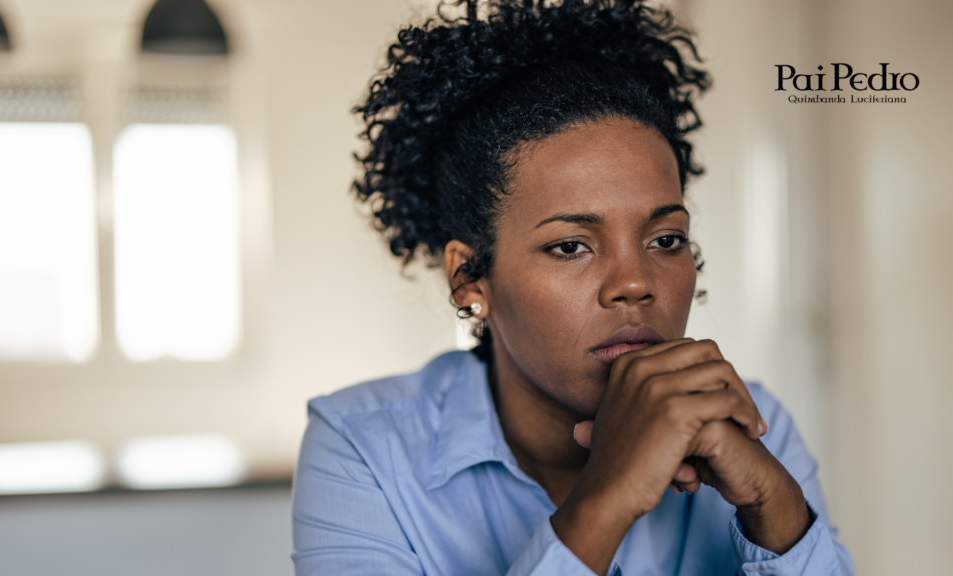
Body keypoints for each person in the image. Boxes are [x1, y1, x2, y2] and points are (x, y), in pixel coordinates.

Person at [291, 1, 855, 574]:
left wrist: (774, 506)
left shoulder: (752, 421)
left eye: (665, 240)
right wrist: (609, 495)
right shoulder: (362, 447)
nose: (635, 282)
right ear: (469, 277)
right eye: (570, 246)